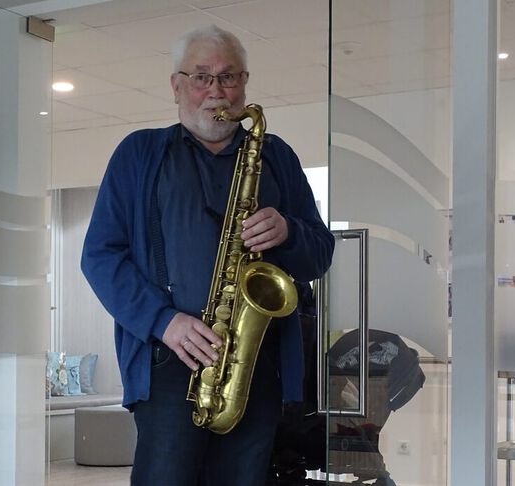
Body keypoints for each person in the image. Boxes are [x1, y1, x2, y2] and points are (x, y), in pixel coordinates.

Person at [82, 24, 334, 486]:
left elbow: (319, 254)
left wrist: (289, 231)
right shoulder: (139, 153)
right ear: (176, 85)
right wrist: (164, 321)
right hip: (169, 359)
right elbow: (100, 256)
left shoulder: (276, 155)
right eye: (201, 77)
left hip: (257, 363)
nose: (216, 91)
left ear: (244, 84)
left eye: (228, 77)